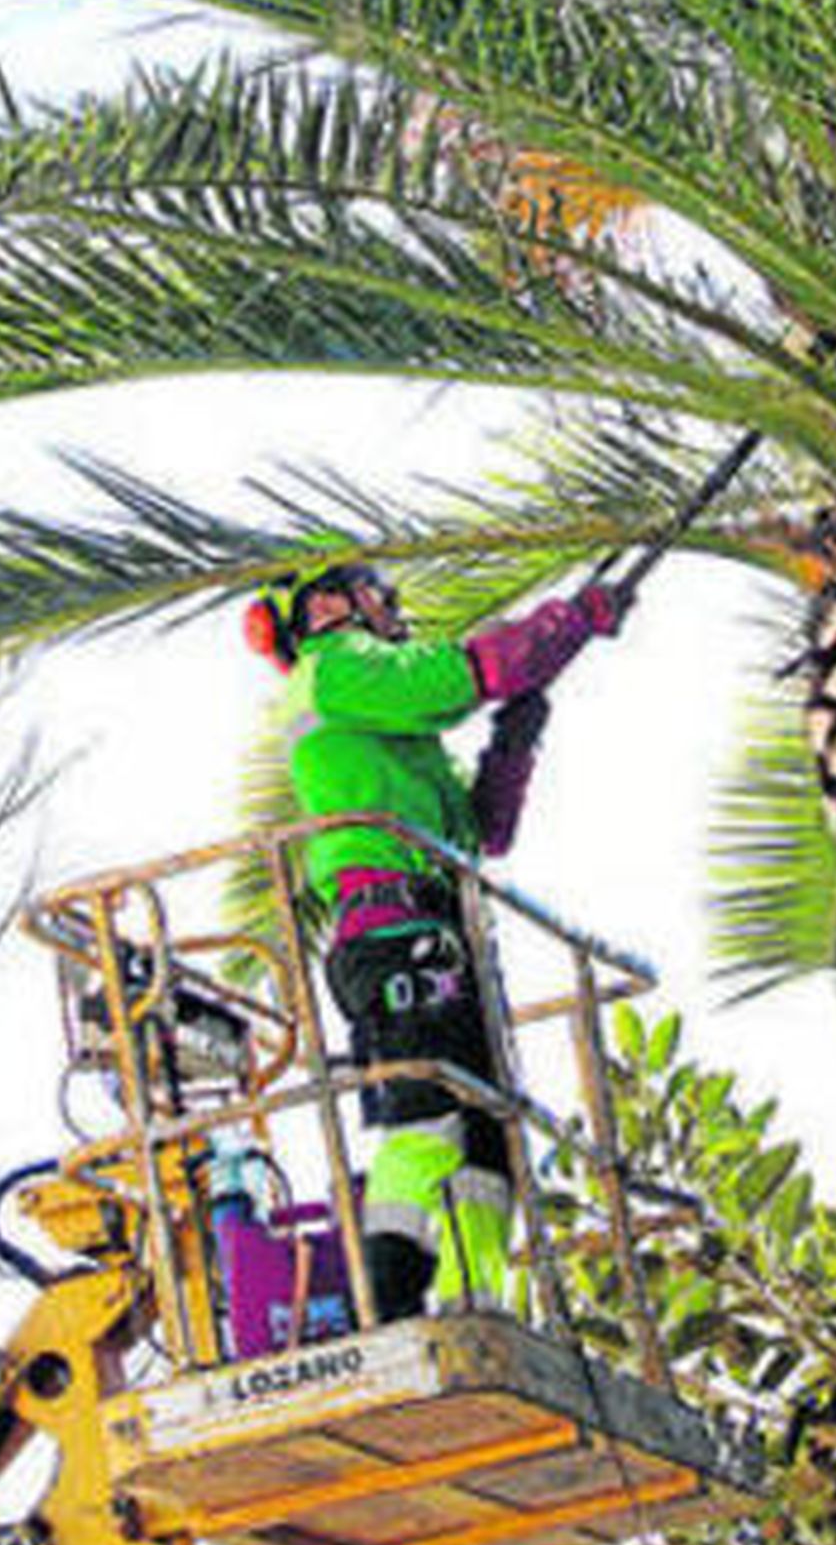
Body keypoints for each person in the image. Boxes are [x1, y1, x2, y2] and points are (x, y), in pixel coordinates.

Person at [245, 556, 620, 1321]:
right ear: (327, 605)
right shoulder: (335, 668)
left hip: (439, 932)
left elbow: (484, 833)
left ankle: (473, 1309)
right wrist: (571, 619)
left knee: (487, 1141)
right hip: (392, 930)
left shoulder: (391, 726)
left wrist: (513, 746)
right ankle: (389, 1306)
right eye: (380, 591)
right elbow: (463, 675)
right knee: (427, 1117)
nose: (394, 605)